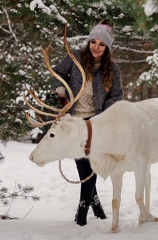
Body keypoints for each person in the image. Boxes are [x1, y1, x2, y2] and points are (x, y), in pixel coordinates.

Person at [52, 19, 123, 226]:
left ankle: (82, 210)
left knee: (90, 165)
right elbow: (57, 72)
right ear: (89, 41)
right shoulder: (74, 58)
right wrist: (61, 93)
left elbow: (117, 96)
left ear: (107, 48)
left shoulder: (113, 69)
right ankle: (96, 206)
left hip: (95, 123)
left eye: (102, 44)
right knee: (83, 166)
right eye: (94, 42)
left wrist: (104, 115)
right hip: (75, 120)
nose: (96, 47)